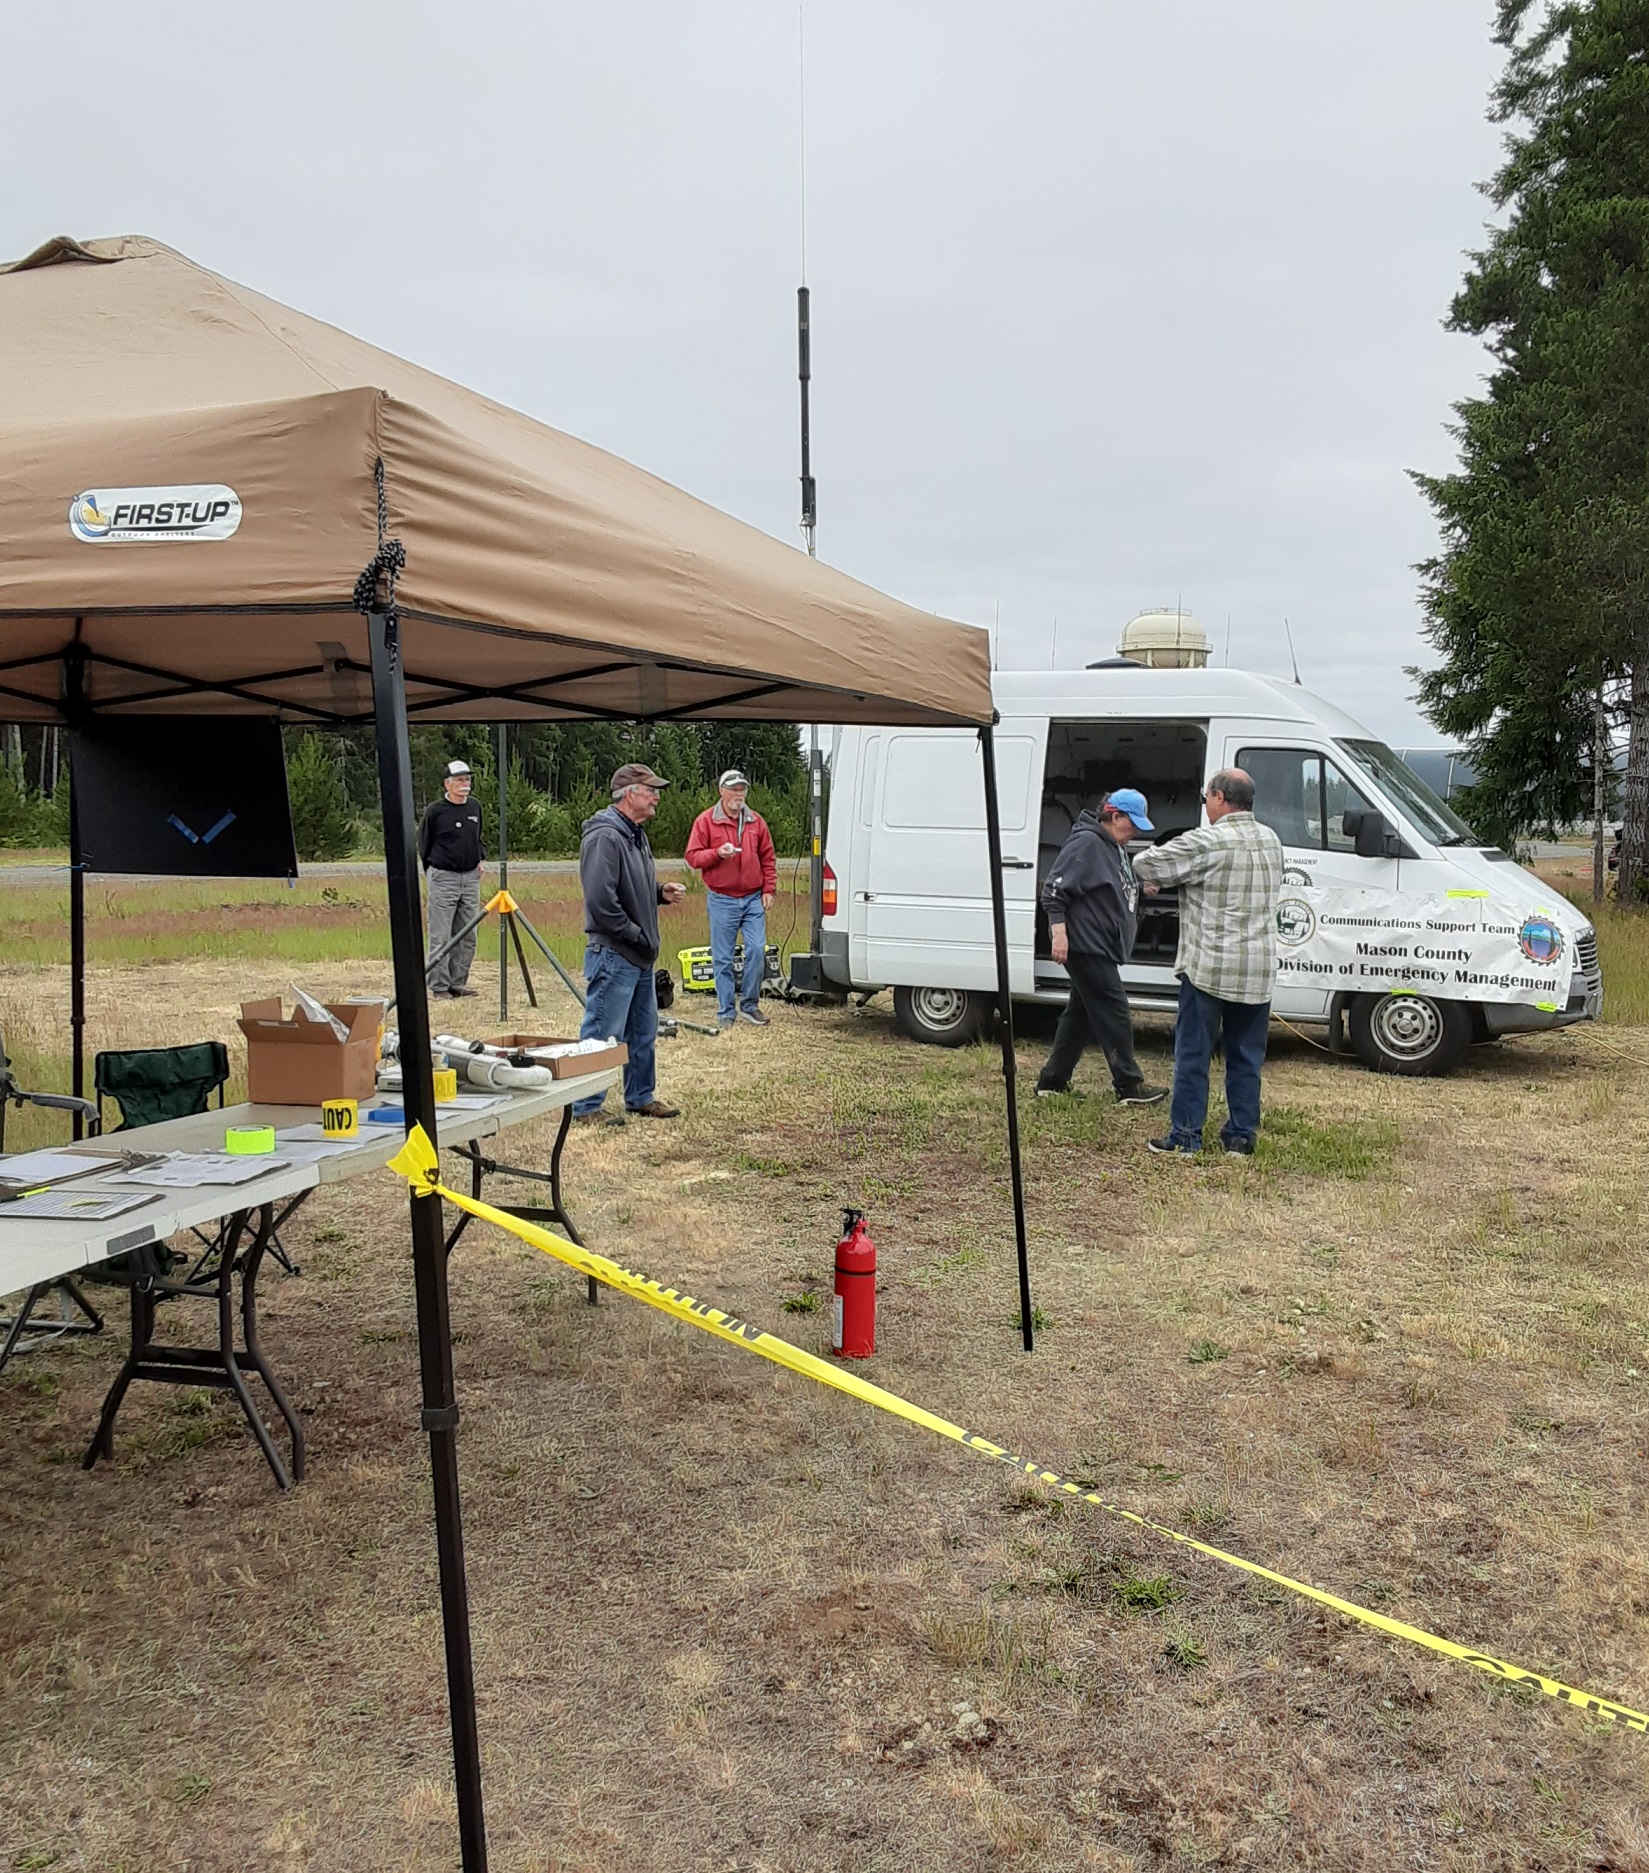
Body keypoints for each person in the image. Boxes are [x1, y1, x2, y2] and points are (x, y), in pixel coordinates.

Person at [1132, 767, 1284, 1156]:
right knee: (1246, 1058)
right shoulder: (1271, 839)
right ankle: (1241, 1137)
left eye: (1205, 798)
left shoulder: (1207, 840)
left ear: (1218, 798)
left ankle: (1185, 1136)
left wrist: (1176, 878)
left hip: (1210, 967)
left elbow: (1146, 864)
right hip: (1257, 969)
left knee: (1193, 1055)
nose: (1206, 805)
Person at [572, 762, 688, 1125]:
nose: (656, 797)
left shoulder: (635, 835)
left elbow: (630, 887)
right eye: (651, 790)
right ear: (629, 794)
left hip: (639, 955)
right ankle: (586, 1106)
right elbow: (601, 902)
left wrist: (658, 892)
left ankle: (640, 1097)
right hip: (615, 952)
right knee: (602, 1033)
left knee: (643, 1031)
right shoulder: (605, 837)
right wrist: (636, 935)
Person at [1035, 787, 1166, 1106]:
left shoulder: (1112, 845)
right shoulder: (1087, 843)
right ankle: (1128, 1085)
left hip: (1099, 944)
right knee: (1114, 1009)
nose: (1135, 832)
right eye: (1132, 824)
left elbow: (1106, 884)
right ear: (1114, 815)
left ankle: (1052, 1081)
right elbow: (1053, 891)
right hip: (1086, 944)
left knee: (1080, 1015)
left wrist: (1139, 888)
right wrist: (1059, 934)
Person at [685, 768, 778, 1029]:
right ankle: (726, 1011)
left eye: (742, 789)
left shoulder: (756, 822)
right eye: (734, 789)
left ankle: (749, 1005)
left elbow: (768, 857)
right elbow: (693, 857)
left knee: (757, 949)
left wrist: (768, 889)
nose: (739, 794)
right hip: (722, 899)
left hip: (752, 898)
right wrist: (716, 853)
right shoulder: (706, 821)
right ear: (721, 791)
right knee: (722, 958)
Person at [419, 758, 484, 999]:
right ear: (447, 784)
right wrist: (432, 871)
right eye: (459, 780)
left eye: (467, 779)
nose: (464, 784)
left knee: (468, 934)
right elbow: (424, 843)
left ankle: (458, 983)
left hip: (470, 878)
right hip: (443, 877)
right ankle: (439, 986)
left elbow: (477, 837)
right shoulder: (435, 811)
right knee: (441, 935)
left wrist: (480, 857)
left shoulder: (474, 807)